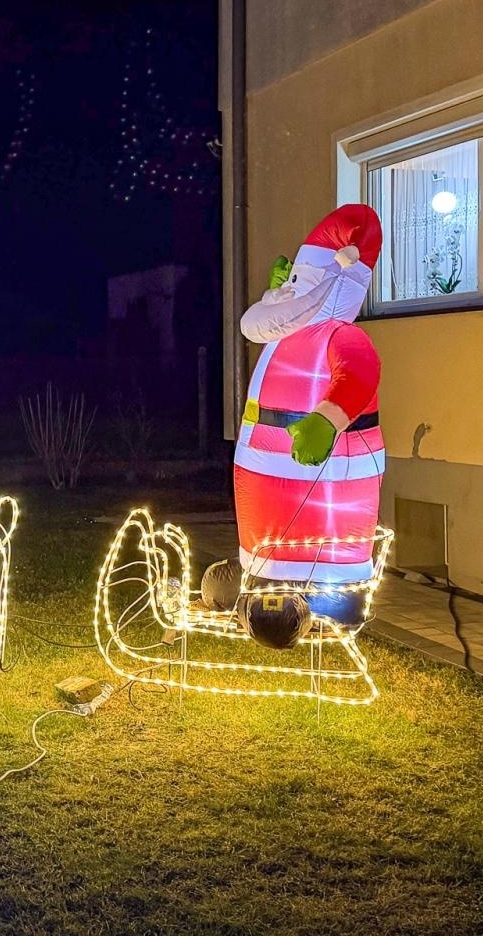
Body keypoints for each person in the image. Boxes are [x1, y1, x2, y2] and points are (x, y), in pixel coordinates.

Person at [207, 203, 386, 644]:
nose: (292, 292)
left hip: (324, 479)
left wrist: (327, 419)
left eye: (303, 283)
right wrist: (280, 295)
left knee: (318, 555)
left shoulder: (339, 335)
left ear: (333, 285)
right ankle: (261, 596)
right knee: (266, 555)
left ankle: (334, 605)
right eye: (292, 282)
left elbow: (360, 372)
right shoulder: (286, 336)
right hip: (264, 485)